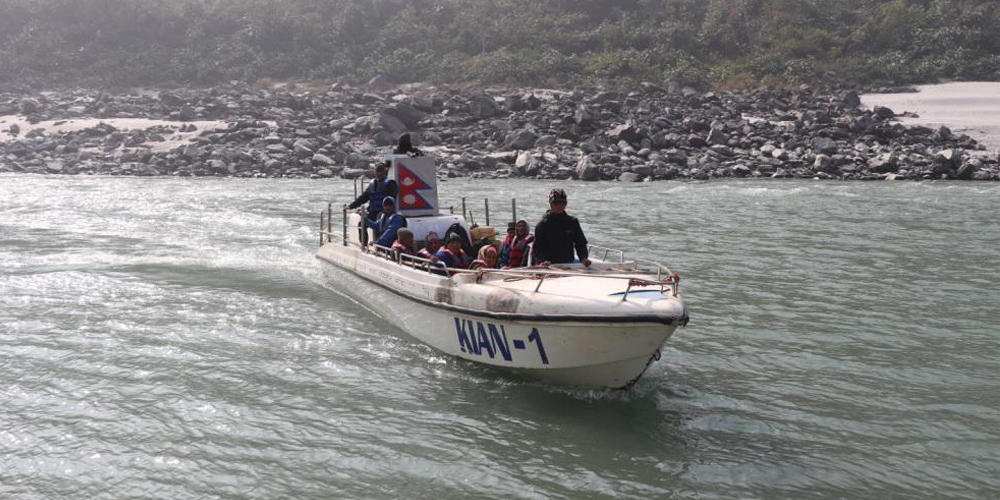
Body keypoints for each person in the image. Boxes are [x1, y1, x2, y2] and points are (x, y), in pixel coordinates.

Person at [531, 189, 591, 267]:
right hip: (548, 266)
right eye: (556, 203)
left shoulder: (573, 222)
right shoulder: (542, 224)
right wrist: (542, 261)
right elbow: (538, 248)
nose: (559, 206)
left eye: (562, 203)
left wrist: (583, 258)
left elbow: (580, 243)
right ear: (550, 204)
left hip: (568, 265)